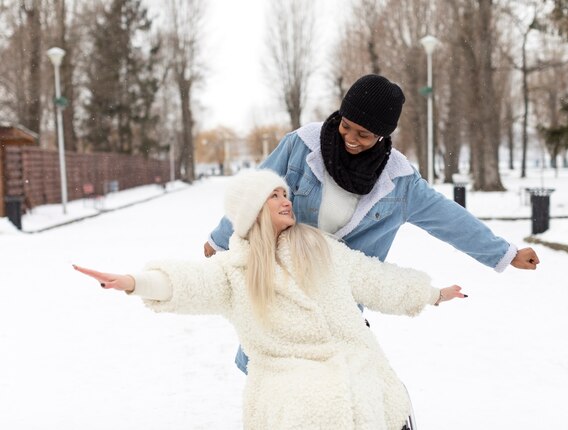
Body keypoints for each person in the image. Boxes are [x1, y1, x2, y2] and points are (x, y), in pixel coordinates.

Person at [74, 169, 466, 430]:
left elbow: (374, 279)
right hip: (284, 378)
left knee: (372, 397)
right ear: (253, 212)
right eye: (274, 196)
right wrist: (134, 282)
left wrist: (430, 293)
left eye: (285, 193)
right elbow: (188, 282)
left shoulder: (321, 247)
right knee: (310, 409)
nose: (285, 200)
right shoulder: (234, 271)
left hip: (354, 360)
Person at [204, 74, 540, 374]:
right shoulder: (301, 146)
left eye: (363, 134)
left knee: (333, 382)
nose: (350, 137)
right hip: (283, 288)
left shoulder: (400, 182)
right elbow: (255, 190)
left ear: (383, 134)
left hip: (339, 302)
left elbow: (450, 220)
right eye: (345, 125)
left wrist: (505, 253)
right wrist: (220, 240)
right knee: (274, 376)